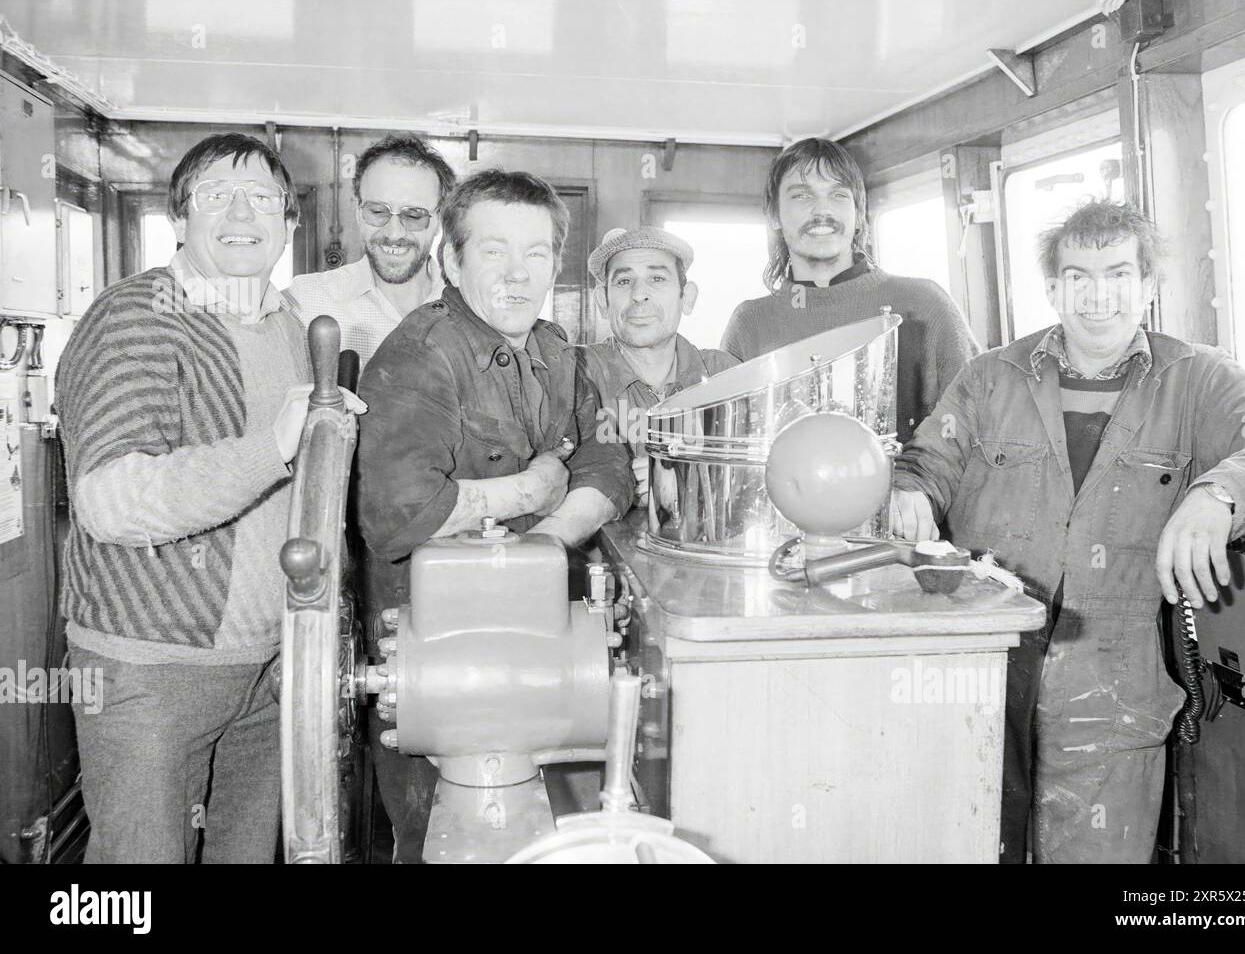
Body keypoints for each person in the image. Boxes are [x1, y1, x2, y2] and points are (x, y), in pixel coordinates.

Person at [890, 200, 1245, 863]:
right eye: (1077, 275)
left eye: (1118, 273)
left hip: (1114, 700)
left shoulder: (1199, 379)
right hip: (981, 683)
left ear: (1148, 284)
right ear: (1052, 288)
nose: (1098, 294)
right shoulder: (990, 376)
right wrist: (909, 488)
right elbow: (927, 462)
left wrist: (1218, 493)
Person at [56, 132, 360, 863]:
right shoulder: (135, 317)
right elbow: (112, 500)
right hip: (151, 668)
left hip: (270, 663)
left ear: (289, 225)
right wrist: (272, 446)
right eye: (214, 194)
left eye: (260, 196)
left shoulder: (289, 325)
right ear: (179, 219)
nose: (239, 210)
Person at [356, 169, 634, 861]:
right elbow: (400, 513)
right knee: (440, 842)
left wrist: (541, 540)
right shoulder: (419, 355)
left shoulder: (556, 353)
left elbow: (609, 469)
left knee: (537, 837)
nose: (518, 274)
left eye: (536, 253)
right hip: (435, 664)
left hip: (537, 651)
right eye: (493, 251)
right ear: (449, 260)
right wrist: (527, 487)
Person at [720, 137, 979, 442]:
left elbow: (972, 424)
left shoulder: (925, 305)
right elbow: (728, 444)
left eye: (838, 195)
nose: (821, 210)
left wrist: (912, 485)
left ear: (858, 215)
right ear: (774, 216)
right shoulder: (750, 323)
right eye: (802, 196)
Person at [579, 226, 737, 505]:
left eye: (657, 278)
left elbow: (766, 473)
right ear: (603, 300)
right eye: (624, 281)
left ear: (686, 297)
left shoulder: (724, 376)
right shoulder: (575, 373)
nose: (640, 294)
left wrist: (687, 476)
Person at [286, 134, 456, 371]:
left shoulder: (468, 306)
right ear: (358, 213)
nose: (394, 233)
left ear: (438, 220)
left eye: (414, 215)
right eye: (378, 212)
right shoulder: (303, 302)